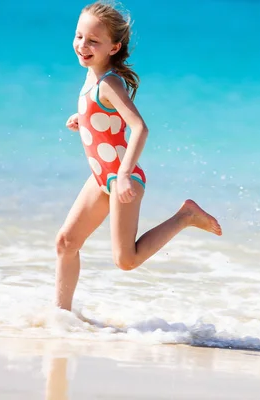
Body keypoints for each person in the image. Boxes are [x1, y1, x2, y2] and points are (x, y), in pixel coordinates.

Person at [55, 1, 222, 311]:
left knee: (126, 260)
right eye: (79, 36)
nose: (82, 45)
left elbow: (139, 128)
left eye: (93, 41)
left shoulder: (110, 82)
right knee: (66, 243)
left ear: (114, 47)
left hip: (121, 178)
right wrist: (82, 118)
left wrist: (124, 176)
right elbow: (105, 118)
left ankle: (186, 216)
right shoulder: (92, 76)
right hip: (101, 177)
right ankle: (61, 317)